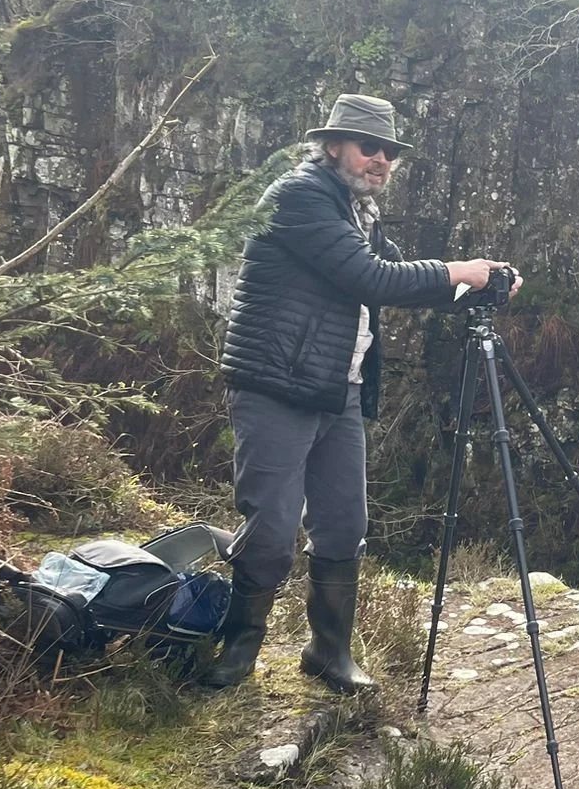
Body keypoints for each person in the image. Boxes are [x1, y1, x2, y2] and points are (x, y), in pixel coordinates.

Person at [205, 93, 516, 690]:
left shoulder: (358, 212)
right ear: (332, 146)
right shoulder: (299, 197)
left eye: (390, 152)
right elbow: (369, 277)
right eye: (369, 147)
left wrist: (481, 286)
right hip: (277, 386)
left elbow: (400, 282)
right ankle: (237, 650)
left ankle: (328, 653)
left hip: (338, 390)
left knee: (344, 524)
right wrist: (459, 269)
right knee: (271, 531)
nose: (381, 160)